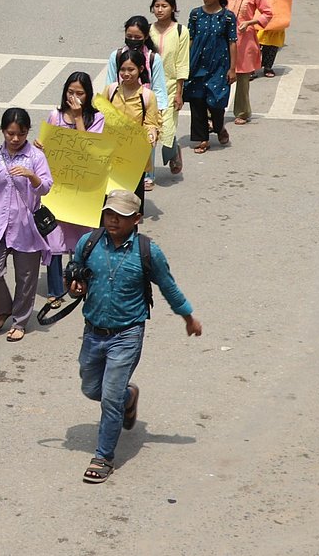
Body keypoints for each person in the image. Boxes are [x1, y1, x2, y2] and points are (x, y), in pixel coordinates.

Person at [69, 190, 202, 483]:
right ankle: (130, 397)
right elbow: (74, 274)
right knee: (92, 389)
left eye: (121, 216)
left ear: (137, 219)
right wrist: (74, 286)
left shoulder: (148, 252)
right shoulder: (88, 243)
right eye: (109, 214)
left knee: (110, 398)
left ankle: (104, 456)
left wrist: (188, 317)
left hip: (127, 334)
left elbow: (169, 287)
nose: (113, 220)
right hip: (93, 332)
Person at [0, 108, 53, 343]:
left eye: (20, 134)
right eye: (10, 133)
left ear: (26, 132)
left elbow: (46, 187)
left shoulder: (36, 157)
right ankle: (2, 309)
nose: (15, 139)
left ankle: (20, 320)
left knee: (26, 276)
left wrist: (32, 176)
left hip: (26, 226)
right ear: (3, 131)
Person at [36, 74, 105, 307]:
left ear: (88, 96)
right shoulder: (55, 116)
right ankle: (55, 290)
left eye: (79, 93)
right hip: (57, 189)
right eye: (70, 92)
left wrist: (77, 119)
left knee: (82, 238)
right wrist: (40, 146)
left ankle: (81, 282)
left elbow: (89, 148)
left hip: (83, 188)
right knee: (53, 237)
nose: (73, 97)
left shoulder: (97, 118)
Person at [184, 0, 237, 153]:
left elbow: (232, 42)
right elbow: (189, 40)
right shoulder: (195, 15)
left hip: (219, 65)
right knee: (197, 100)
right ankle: (202, 138)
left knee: (216, 101)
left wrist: (232, 68)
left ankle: (219, 126)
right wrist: (185, 63)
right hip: (197, 64)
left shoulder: (228, 17)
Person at [106, 50, 162, 199]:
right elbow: (99, 115)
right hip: (111, 152)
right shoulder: (111, 91)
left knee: (131, 199)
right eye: (123, 69)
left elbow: (151, 123)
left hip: (134, 155)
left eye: (131, 69)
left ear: (141, 69)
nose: (126, 73)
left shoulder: (147, 96)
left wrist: (152, 135)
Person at [225, 0, 273, 124]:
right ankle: (214, 111)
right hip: (222, 41)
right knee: (218, 76)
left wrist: (251, 22)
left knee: (243, 79)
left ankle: (242, 112)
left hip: (244, 41)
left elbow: (267, 13)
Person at [149, 0, 190, 177]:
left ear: (172, 8)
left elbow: (182, 63)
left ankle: (173, 151)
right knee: (150, 128)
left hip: (171, 86)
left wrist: (179, 92)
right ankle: (148, 173)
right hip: (149, 88)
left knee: (166, 126)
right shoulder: (148, 31)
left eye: (164, 6)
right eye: (156, 6)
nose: (159, 10)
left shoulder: (181, 31)